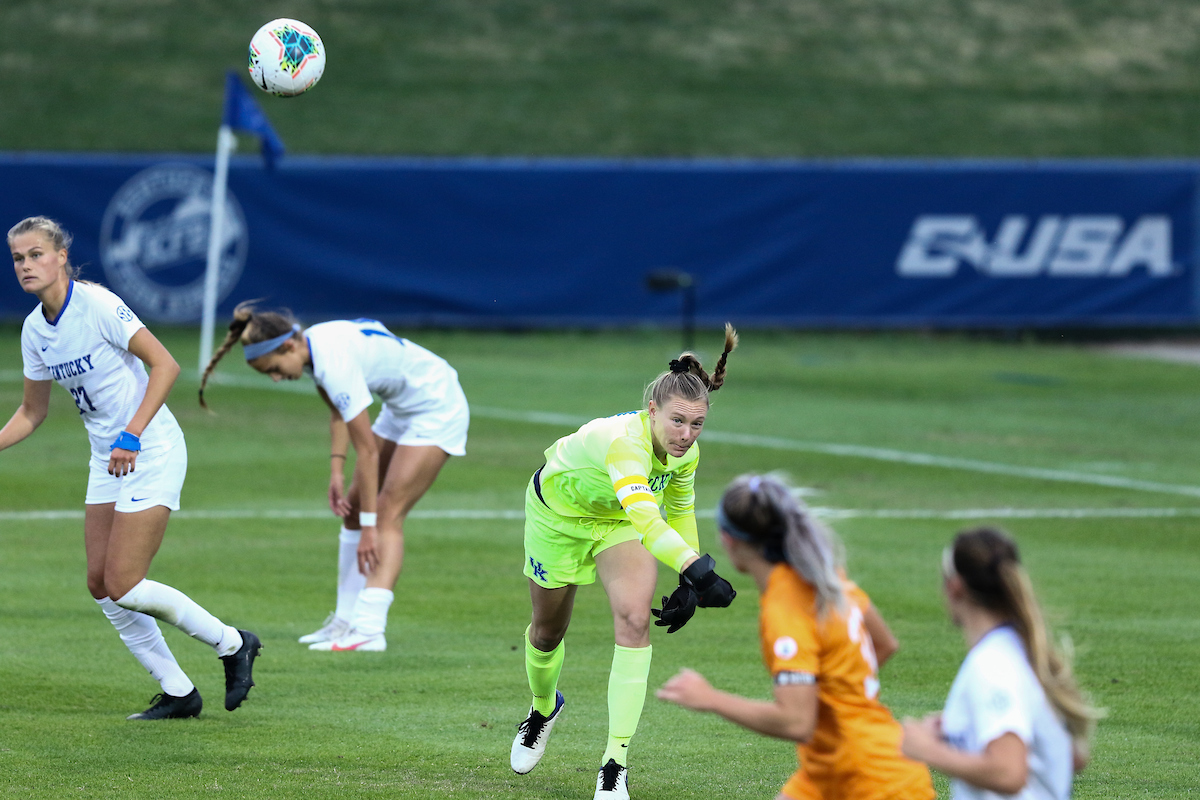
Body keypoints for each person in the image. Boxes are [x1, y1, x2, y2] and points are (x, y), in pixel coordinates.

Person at [1, 216, 260, 720]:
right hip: (108, 458)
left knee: (124, 581)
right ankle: (178, 690)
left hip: (151, 447)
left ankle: (233, 643)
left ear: (60, 257)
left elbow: (166, 365)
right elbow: (32, 412)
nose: (26, 265)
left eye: (36, 254)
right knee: (100, 583)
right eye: (17, 258)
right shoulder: (35, 330)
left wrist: (131, 434)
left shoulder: (96, 304)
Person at [509, 325, 739, 800]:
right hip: (558, 518)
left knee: (636, 620)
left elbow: (677, 512)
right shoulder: (624, 444)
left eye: (697, 424)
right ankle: (542, 708)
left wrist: (687, 580)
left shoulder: (686, 453)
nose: (686, 435)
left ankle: (615, 763)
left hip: (618, 524)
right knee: (547, 632)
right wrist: (702, 571)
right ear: (652, 410)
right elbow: (649, 520)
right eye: (677, 421)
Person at [199, 303, 469, 652]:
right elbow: (339, 414)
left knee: (386, 513)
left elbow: (368, 450)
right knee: (353, 509)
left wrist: (370, 529)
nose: (277, 378)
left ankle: (370, 630)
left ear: (289, 346)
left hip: (437, 404)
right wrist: (337, 471)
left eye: (276, 369)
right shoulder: (312, 349)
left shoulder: (332, 361)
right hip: (401, 407)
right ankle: (344, 622)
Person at [657, 473, 934, 800]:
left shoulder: (784, 610)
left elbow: (796, 722)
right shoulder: (824, 576)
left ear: (729, 540)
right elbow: (884, 643)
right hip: (837, 767)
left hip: (871, 781)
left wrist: (711, 698)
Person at [900, 527, 1101, 799]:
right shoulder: (1022, 650)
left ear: (955, 586)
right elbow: (1072, 757)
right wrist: (961, 729)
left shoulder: (992, 665)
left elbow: (1009, 772)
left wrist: (927, 750)